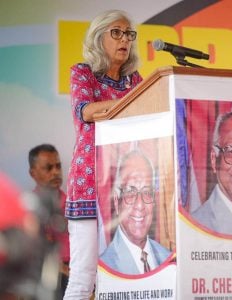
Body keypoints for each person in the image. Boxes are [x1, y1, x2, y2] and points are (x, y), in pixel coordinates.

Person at [63, 9, 142, 300]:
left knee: (120, 274)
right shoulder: (82, 73)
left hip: (126, 188)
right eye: (117, 33)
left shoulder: (135, 81)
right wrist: (130, 106)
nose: (125, 40)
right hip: (89, 185)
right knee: (84, 278)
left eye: (129, 34)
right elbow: (87, 111)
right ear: (99, 38)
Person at [100, 150, 170, 274]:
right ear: (116, 201)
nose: (139, 205)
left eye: (147, 192)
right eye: (130, 192)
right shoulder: (105, 268)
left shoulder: (168, 259)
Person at [28, 143, 70, 296]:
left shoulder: (76, 205)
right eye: (48, 168)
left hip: (79, 273)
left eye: (58, 166)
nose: (56, 172)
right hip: (49, 277)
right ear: (33, 173)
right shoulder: (29, 209)